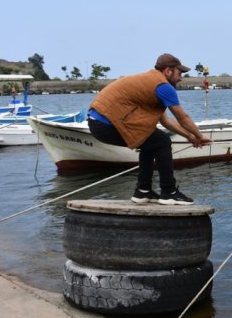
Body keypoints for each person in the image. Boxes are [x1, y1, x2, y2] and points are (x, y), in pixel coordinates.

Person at [87, 53, 212, 205]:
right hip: (106, 123)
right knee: (162, 141)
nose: (181, 78)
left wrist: (190, 137)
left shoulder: (151, 82)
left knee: (151, 139)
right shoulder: (163, 86)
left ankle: (143, 191)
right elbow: (182, 118)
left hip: (98, 123)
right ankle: (169, 192)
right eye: (179, 73)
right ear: (168, 71)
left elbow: (166, 121)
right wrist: (199, 135)